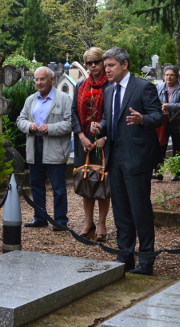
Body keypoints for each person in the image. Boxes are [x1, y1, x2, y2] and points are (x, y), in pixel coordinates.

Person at [91, 47, 163, 276]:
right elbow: (108, 118)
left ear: (125, 65)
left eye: (111, 65)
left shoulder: (143, 87)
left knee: (140, 209)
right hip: (115, 158)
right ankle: (125, 255)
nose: (106, 69)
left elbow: (158, 116)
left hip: (137, 159)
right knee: (120, 209)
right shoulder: (109, 90)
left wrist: (143, 119)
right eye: (106, 65)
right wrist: (100, 126)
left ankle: (146, 260)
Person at [17, 67, 72, 231]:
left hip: (55, 147)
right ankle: (39, 217)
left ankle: (60, 220)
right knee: (36, 185)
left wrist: (51, 128)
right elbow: (20, 119)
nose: (39, 83)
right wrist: (29, 125)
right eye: (36, 79)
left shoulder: (64, 99)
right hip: (34, 146)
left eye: (42, 79)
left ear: (52, 79)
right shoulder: (30, 100)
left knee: (58, 187)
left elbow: (70, 123)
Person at [71, 48, 112, 242]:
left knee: (102, 181)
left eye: (96, 61)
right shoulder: (81, 85)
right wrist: (80, 136)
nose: (93, 66)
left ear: (103, 62)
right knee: (86, 179)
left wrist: (104, 137)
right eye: (89, 63)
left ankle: (102, 222)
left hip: (104, 139)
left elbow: (112, 114)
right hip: (84, 140)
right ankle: (88, 222)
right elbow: (73, 112)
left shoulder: (110, 85)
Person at [154, 65, 180, 181]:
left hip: (177, 120)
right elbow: (154, 102)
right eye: (167, 74)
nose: (169, 77)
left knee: (177, 146)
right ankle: (158, 171)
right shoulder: (159, 87)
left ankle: (177, 173)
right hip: (162, 121)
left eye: (171, 75)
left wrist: (169, 106)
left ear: (176, 76)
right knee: (160, 146)